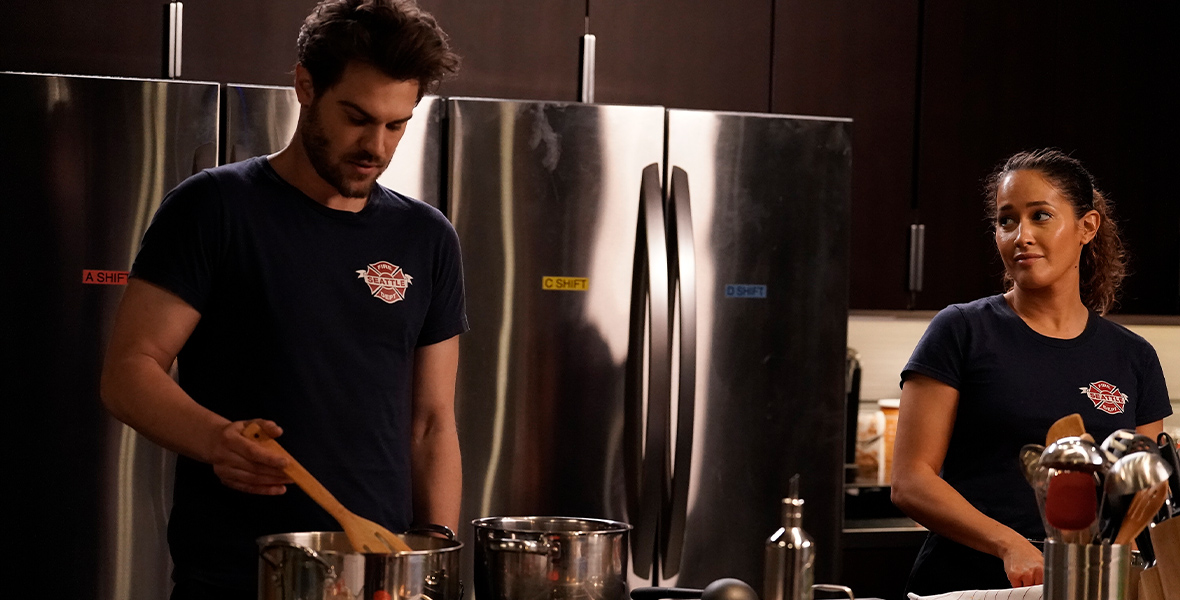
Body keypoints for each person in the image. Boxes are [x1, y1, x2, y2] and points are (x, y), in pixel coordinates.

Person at [99, 1, 464, 598]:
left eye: (397, 125)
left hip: (378, 576)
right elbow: (128, 371)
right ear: (304, 86)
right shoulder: (213, 209)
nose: (376, 145)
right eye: (357, 117)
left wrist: (431, 550)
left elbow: (430, 423)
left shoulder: (427, 238)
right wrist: (216, 438)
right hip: (237, 576)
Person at [890, 149, 1172, 595]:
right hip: (969, 584)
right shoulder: (961, 330)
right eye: (1006, 221)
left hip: (1089, 587)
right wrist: (1010, 545)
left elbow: (1140, 494)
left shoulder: (1133, 356)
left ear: (1087, 227)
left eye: (1041, 216)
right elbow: (911, 481)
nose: (1021, 236)